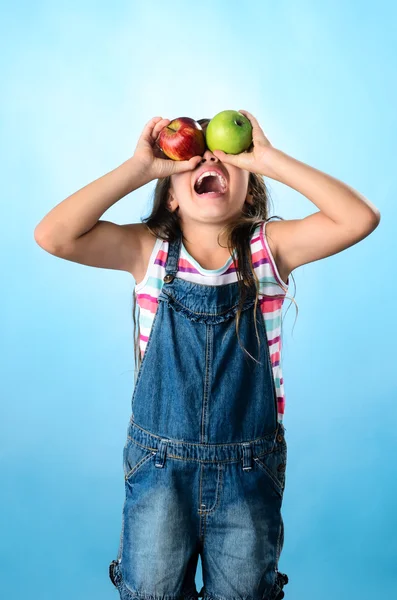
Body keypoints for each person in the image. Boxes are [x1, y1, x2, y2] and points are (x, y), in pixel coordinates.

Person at [34, 111, 381, 600]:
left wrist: (269, 159)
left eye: (229, 161)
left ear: (250, 191)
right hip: (159, 472)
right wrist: (139, 168)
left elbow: (359, 218)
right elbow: (54, 235)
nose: (210, 161)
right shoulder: (148, 252)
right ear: (171, 194)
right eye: (192, 160)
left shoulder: (268, 251)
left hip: (246, 473)